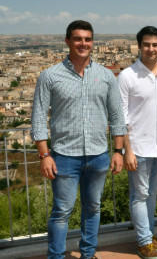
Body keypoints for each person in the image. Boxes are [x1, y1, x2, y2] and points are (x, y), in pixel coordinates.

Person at [31, 20, 127, 259]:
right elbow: (38, 117)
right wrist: (44, 154)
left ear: (92, 42)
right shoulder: (50, 76)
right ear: (67, 41)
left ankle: (88, 253)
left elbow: (117, 116)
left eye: (87, 39)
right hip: (64, 156)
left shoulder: (106, 76)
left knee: (93, 208)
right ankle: (56, 256)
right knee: (62, 211)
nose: (83, 43)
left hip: (98, 155)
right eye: (78, 38)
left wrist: (118, 151)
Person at [118, 26, 157, 259]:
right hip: (138, 148)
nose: (151, 49)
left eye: (155, 45)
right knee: (139, 194)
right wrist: (126, 151)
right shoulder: (127, 76)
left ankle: (148, 235)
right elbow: (121, 117)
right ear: (139, 46)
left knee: (152, 194)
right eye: (146, 44)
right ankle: (143, 241)